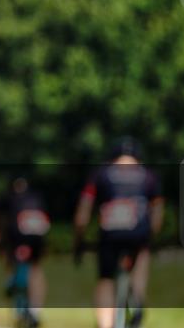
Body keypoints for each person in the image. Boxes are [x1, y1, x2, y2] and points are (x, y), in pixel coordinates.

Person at [74, 137, 164, 328]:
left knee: (106, 280)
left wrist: (80, 237)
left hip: (110, 233)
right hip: (139, 232)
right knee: (141, 259)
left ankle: (106, 324)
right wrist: (152, 237)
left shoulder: (100, 174)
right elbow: (157, 210)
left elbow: (84, 209)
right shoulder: (148, 175)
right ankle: (137, 299)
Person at [0, 176, 49, 327]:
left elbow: (4, 223)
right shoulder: (37, 198)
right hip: (37, 238)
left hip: (17, 236)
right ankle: (35, 310)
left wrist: (1, 244)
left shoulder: (10, 198)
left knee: (12, 263)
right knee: (35, 269)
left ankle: (14, 293)